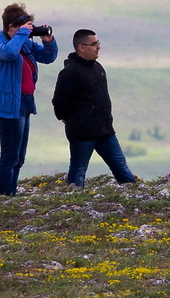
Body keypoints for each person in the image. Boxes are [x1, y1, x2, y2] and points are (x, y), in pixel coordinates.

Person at [52, 29, 140, 187]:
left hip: (105, 130)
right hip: (83, 132)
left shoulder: (97, 68)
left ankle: (136, 198)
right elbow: (59, 101)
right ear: (81, 47)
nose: (98, 47)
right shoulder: (70, 72)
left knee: (121, 169)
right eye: (94, 44)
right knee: (78, 171)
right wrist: (68, 118)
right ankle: (74, 204)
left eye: (98, 43)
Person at [0, 2, 57, 196]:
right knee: (9, 156)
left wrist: (48, 41)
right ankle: (2, 197)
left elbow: (48, 57)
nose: (28, 32)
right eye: (24, 27)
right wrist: (21, 35)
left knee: (19, 157)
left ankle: (11, 194)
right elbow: (9, 53)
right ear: (11, 27)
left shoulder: (24, 43)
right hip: (7, 106)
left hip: (25, 104)